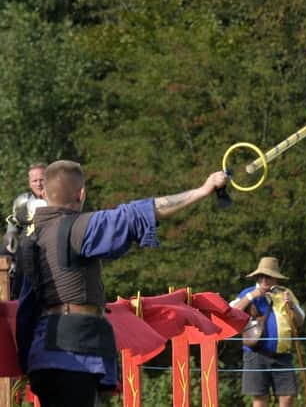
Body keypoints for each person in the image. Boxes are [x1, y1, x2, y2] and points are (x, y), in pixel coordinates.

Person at [15, 159, 228, 407]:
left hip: (44, 355)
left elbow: (25, 310)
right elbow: (141, 213)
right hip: (73, 351)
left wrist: (26, 362)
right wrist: (203, 190)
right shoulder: (78, 228)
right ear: (81, 194)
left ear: (45, 193)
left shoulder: (31, 241)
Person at [231, 257, 305, 407]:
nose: (264, 280)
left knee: (288, 396)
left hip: (282, 355)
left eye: (268, 276)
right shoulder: (248, 293)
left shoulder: (286, 293)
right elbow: (231, 312)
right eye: (261, 276)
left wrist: (291, 306)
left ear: (275, 278)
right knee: (260, 398)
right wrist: (252, 296)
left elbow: (301, 320)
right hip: (256, 354)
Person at [3, 163, 48, 300]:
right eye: (35, 180)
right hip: (25, 242)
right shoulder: (22, 201)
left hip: (48, 243)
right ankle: (10, 294)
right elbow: (13, 222)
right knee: (5, 252)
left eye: (42, 179)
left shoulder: (57, 197)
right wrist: (10, 234)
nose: (39, 184)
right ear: (29, 183)